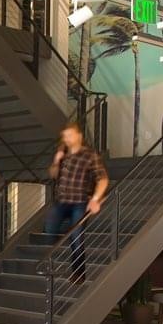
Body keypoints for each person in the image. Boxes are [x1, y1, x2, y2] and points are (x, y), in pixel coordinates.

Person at [46, 122, 109, 285]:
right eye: (65, 136)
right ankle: (55, 258)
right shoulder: (63, 154)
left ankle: (78, 274)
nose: (66, 139)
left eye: (70, 135)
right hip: (62, 201)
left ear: (79, 136)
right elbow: (53, 175)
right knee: (50, 229)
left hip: (80, 202)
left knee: (76, 236)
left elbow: (102, 179)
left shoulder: (89, 155)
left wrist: (95, 199)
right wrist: (56, 162)